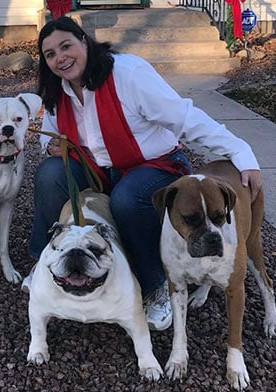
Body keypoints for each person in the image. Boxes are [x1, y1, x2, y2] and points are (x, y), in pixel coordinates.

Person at [25, 16, 262, 331]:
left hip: (156, 166)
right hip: (99, 171)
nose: (60, 58)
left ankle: (155, 285)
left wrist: (241, 152)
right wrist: (49, 147)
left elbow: (184, 117)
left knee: (127, 198)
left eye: (66, 46)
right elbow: (49, 135)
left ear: (84, 41)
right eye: (50, 54)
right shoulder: (57, 90)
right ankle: (47, 261)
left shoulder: (128, 74)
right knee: (50, 173)